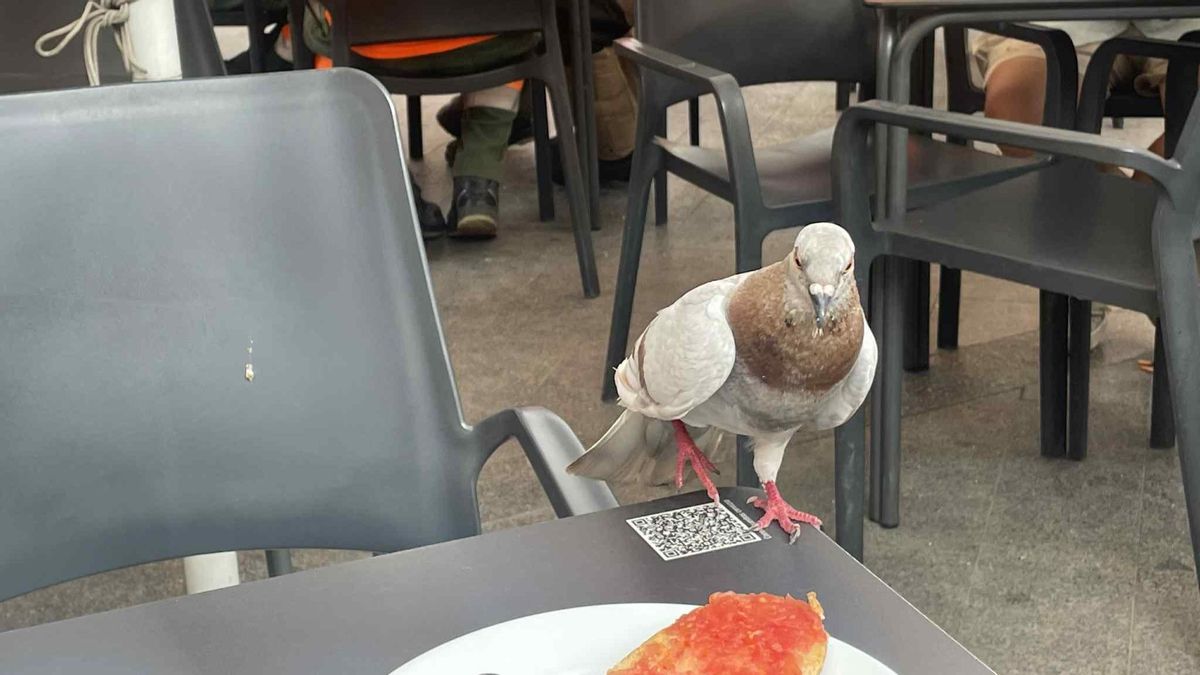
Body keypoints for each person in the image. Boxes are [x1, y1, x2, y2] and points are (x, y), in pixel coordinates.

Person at [972, 19, 1200, 347]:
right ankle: (1132, 252)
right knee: (1019, 107)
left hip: (1189, 18)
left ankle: (1103, 252)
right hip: (1061, 17)